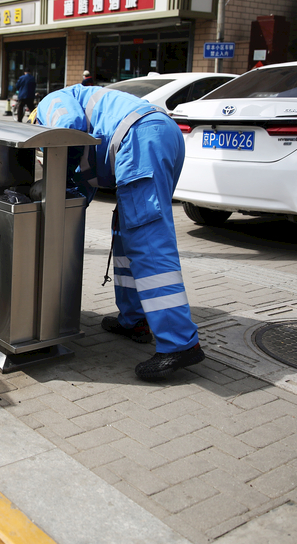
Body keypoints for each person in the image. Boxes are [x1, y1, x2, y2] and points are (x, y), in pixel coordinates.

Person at [36, 85, 204, 381]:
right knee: (126, 234)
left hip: (142, 139)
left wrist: (56, 172)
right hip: (152, 136)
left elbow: (68, 128)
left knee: (148, 238)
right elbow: (84, 183)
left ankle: (179, 343)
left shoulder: (49, 104)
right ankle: (134, 320)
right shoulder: (90, 123)